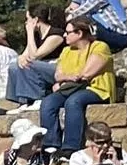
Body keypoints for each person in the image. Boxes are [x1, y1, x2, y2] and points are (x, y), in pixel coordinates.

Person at [40, 13, 116, 156]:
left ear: (80, 33)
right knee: (48, 102)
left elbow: (87, 74)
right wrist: (69, 78)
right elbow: (58, 75)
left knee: (73, 102)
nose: (64, 36)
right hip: (71, 88)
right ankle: (50, 144)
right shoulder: (66, 51)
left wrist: (65, 80)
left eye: (68, 33)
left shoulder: (100, 47)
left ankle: (71, 147)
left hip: (97, 89)